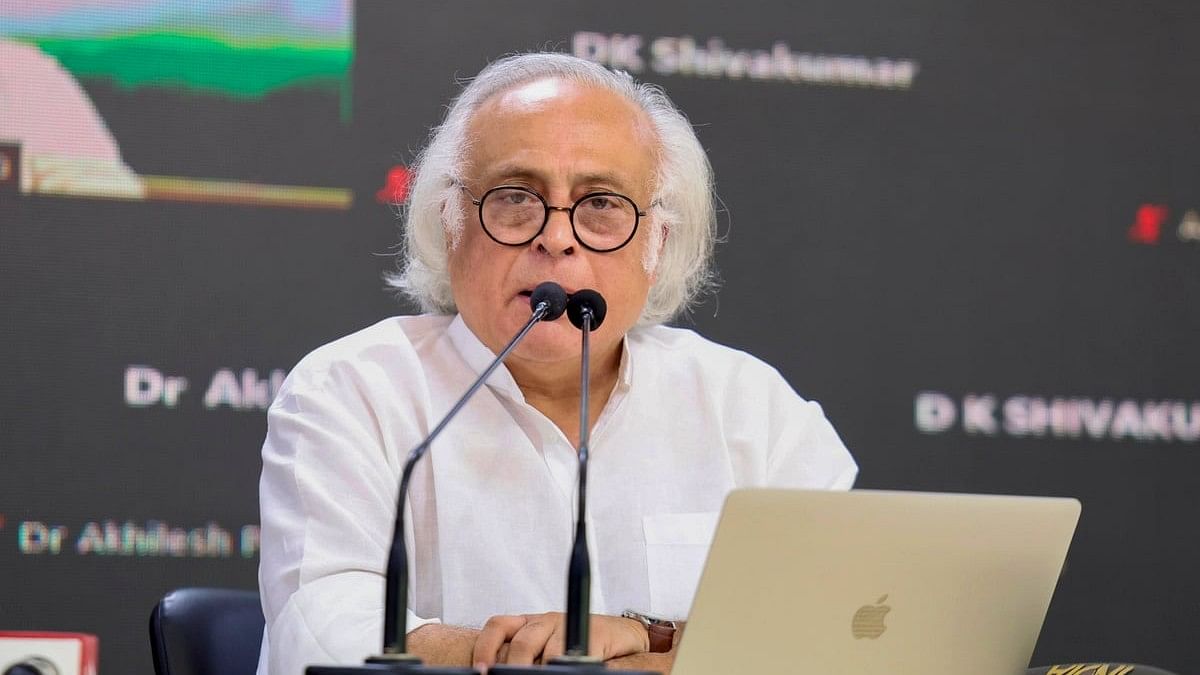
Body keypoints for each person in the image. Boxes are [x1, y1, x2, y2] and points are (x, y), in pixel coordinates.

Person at [256, 52, 856, 675]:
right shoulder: (351, 392)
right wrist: (528, 665)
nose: (557, 237)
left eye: (601, 204)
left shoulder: (751, 409)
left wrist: (646, 644)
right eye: (517, 196)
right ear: (449, 221)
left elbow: (848, 625)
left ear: (658, 243)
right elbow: (319, 631)